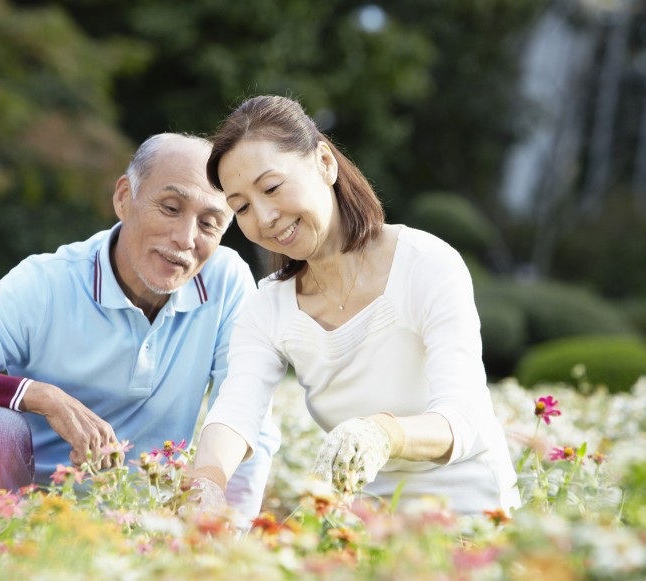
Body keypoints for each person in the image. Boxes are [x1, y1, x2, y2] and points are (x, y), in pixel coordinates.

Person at [0, 132, 280, 520]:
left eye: (210, 223)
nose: (185, 238)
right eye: (171, 207)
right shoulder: (47, 282)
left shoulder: (226, 281)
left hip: (146, 532)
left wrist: (232, 541)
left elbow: (248, 416)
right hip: (25, 521)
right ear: (124, 198)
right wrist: (41, 396)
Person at [187, 95, 520, 516]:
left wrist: (385, 433)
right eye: (242, 207)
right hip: (361, 521)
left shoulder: (425, 264)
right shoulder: (268, 307)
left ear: (325, 162)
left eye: (272, 187)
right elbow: (236, 411)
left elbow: (464, 417)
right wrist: (207, 482)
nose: (266, 216)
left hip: (470, 515)